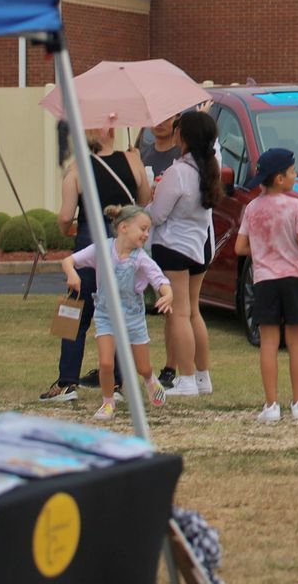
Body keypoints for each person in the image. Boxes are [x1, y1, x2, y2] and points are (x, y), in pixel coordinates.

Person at [41, 127, 149, 402]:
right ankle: (117, 383)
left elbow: (65, 216)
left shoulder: (76, 168)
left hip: (90, 244)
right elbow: (144, 201)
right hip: (124, 247)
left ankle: (66, 381)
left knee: (73, 312)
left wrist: (68, 228)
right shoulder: (133, 160)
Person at [61, 206, 172, 422]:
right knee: (105, 363)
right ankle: (108, 402)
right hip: (105, 315)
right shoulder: (101, 249)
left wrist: (167, 295)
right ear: (123, 228)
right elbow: (68, 261)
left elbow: (160, 280)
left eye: (148, 230)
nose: (146, 234)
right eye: (142, 228)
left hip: (132, 317)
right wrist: (72, 274)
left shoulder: (141, 258)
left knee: (143, 366)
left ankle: (150, 380)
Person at [238, 148, 298, 422]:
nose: (295, 176)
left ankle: (271, 405)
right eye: (293, 172)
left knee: (268, 343)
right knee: (296, 341)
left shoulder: (252, 207)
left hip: (265, 280)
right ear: (280, 178)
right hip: (294, 277)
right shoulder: (295, 206)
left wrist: (263, 248)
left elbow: (239, 246)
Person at [150, 109, 220, 398]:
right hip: (199, 246)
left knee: (179, 313)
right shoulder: (209, 167)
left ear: (184, 136)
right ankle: (202, 377)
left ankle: (187, 378)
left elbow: (157, 215)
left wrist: (147, 200)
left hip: (174, 247)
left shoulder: (177, 172)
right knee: (193, 311)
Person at [140, 112, 184, 181]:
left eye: (166, 118)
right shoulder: (141, 156)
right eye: (155, 117)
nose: (159, 123)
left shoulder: (183, 157)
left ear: (177, 119)